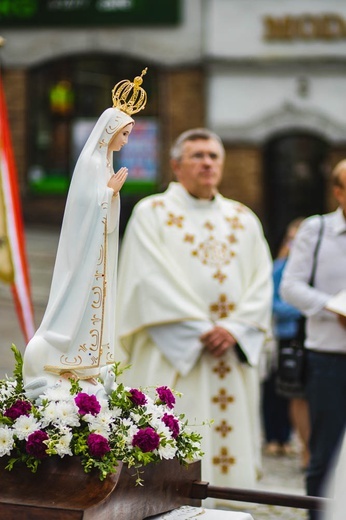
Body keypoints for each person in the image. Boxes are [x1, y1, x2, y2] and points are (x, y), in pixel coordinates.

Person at [116, 128, 273, 490]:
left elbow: (262, 282)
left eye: (213, 156)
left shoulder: (243, 218)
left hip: (230, 351)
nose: (207, 163)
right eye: (197, 156)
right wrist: (198, 329)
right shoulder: (152, 213)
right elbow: (146, 279)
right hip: (172, 352)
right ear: (176, 165)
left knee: (230, 445)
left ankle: (233, 503)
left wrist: (234, 327)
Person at [23, 69, 148, 400]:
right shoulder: (93, 164)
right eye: (124, 133)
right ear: (109, 131)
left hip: (100, 252)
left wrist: (110, 194)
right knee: (80, 300)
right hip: (85, 252)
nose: (126, 139)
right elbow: (82, 207)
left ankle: (89, 361)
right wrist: (108, 194)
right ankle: (68, 356)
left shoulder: (105, 164)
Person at [280, 159, 346, 520]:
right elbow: (290, 287)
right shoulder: (315, 230)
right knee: (325, 452)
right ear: (338, 192)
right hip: (329, 360)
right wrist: (333, 307)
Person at [262, 218, 310, 471]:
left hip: (308, 336)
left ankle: (290, 438)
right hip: (286, 335)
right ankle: (274, 436)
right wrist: (304, 307)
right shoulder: (280, 267)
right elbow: (273, 303)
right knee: (279, 388)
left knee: (300, 390)